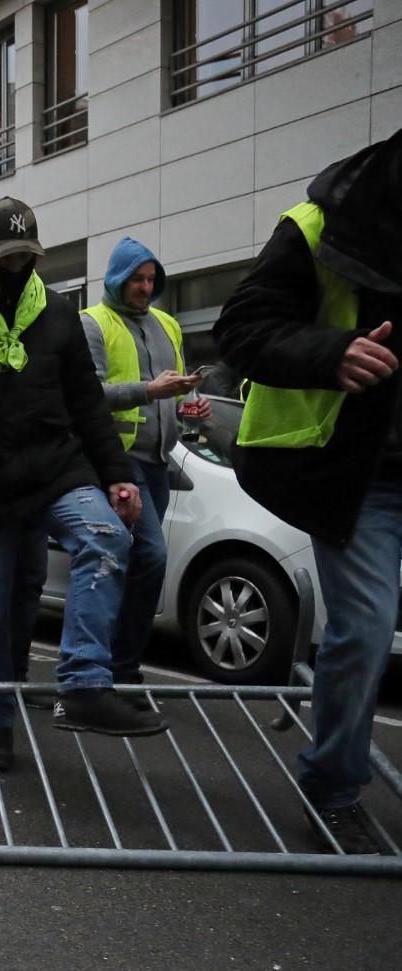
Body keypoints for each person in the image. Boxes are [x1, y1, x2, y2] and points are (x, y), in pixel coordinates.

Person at [0, 197, 156, 773]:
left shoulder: (58, 314)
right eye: (5, 255)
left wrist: (117, 476)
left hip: (54, 465)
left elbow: (88, 405)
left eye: (25, 255)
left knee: (108, 538)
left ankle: (85, 682)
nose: (15, 266)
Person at [213, 131, 402, 855]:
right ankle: (330, 787)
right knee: (362, 630)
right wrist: (330, 353)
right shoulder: (315, 224)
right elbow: (239, 328)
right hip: (359, 475)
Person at [81, 238, 208, 698]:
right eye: (137, 279)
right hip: (116, 461)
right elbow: (87, 395)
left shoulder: (168, 324)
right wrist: (149, 392)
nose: (145, 288)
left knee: (135, 562)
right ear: (116, 279)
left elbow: (177, 388)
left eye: (151, 280)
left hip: (158, 462)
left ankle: (114, 662)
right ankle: (120, 667)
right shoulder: (93, 323)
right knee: (150, 556)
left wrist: (191, 405)